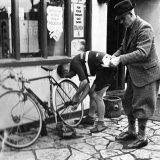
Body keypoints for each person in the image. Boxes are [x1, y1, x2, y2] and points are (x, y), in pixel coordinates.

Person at [111, 0, 160, 148]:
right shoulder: (130, 28)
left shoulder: (145, 28)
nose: (121, 23)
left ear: (130, 14)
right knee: (128, 101)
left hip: (147, 74)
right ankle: (132, 131)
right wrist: (113, 56)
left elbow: (142, 53)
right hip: (134, 73)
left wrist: (120, 59)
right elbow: (123, 47)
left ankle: (142, 137)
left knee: (143, 105)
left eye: (122, 19)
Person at [57, 51, 116, 133]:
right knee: (92, 92)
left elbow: (84, 82)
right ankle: (90, 118)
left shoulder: (74, 63)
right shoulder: (79, 64)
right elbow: (87, 86)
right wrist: (78, 103)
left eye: (67, 76)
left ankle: (101, 123)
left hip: (106, 66)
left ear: (66, 69)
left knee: (97, 96)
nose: (69, 78)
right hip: (105, 66)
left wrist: (76, 95)